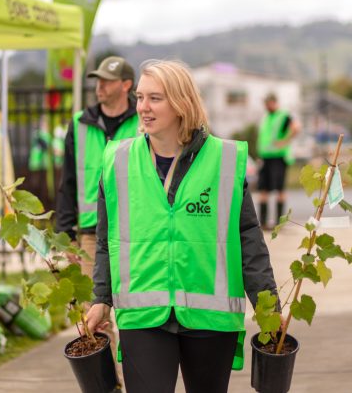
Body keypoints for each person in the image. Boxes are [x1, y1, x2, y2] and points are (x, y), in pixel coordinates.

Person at [85, 60, 279, 393]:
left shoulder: (225, 160)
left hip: (210, 317)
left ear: (181, 103)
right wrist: (101, 297)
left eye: (155, 99)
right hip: (144, 314)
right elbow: (106, 240)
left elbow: (247, 237)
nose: (143, 107)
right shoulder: (117, 160)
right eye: (141, 98)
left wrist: (267, 303)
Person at [56, 56, 138, 353]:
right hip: (92, 234)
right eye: (98, 80)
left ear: (126, 85)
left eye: (107, 80)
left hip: (137, 231)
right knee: (96, 318)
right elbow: (67, 183)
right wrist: (65, 235)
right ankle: (110, 385)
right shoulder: (79, 124)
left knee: (136, 312)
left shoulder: (143, 121)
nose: (99, 86)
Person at [257, 93, 300, 229]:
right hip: (265, 157)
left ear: (274, 102)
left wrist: (284, 141)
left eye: (269, 103)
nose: (267, 106)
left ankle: (279, 223)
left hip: (279, 157)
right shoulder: (266, 117)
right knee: (263, 189)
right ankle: (263, 222)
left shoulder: (283, 115)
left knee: (279, 189)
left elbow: (296, 127)